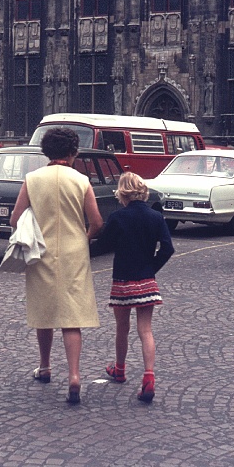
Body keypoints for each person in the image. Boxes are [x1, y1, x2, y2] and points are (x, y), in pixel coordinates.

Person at [9, 127, 103, 404]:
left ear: (47, 151)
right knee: (71, 315)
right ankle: (74, 375)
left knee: (44, 310)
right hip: (75, 253)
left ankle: (45, 366)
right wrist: (83, 238)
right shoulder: (82, 180)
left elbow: (15, 219)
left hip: (42, 250)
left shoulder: (32, 179)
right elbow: (96, 222)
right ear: (73, 151)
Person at [91, 172, 174, 403]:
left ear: (122, 192)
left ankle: (120, 369)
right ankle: (148, 376)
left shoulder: (118, 217)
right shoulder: (156, 217)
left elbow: (103, 245)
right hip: (147, 280)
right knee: (145, 330)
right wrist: (151, 268)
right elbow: (168, 248)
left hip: (123, 281)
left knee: (122, 328)